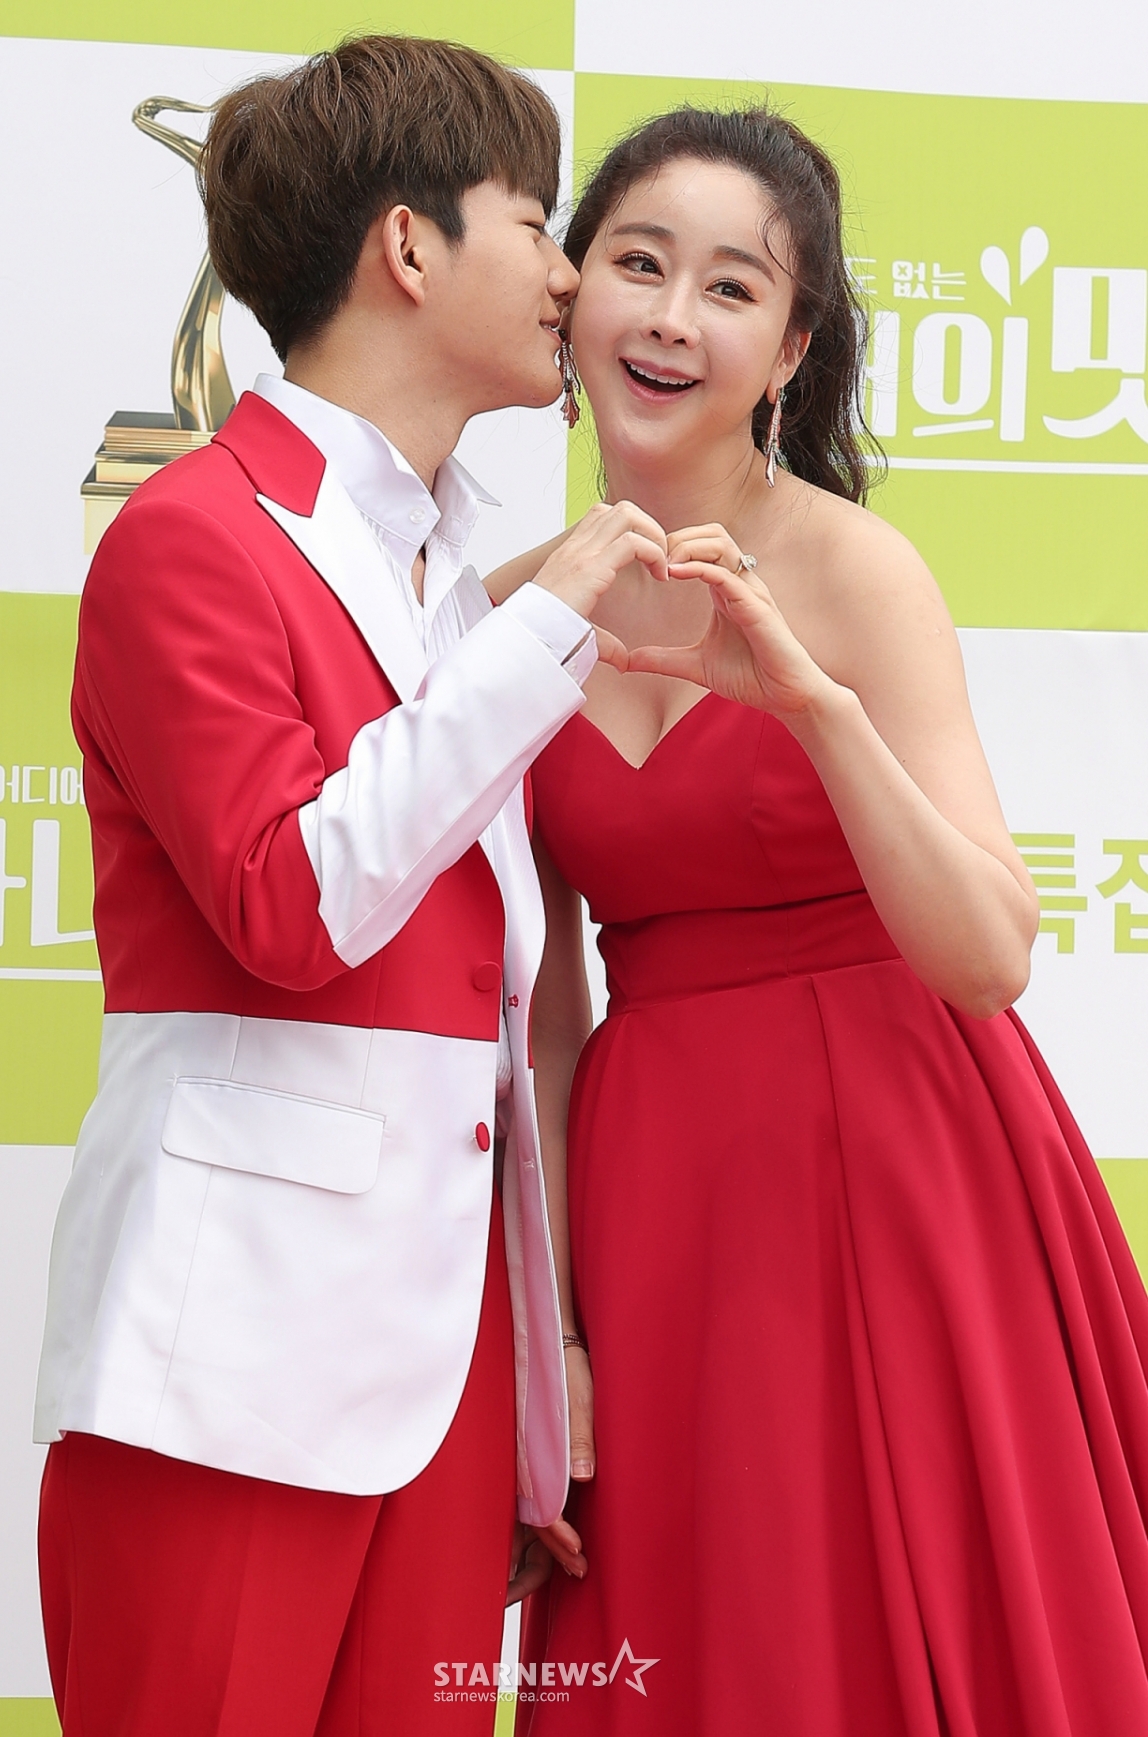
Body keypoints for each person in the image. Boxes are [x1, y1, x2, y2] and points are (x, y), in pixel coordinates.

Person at [32, 36, 669, 1737]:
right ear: (409, 245)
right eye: (533, 219)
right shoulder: (193, 533)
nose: (568, 274)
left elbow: (497, 1034)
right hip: (229, 1372)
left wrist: (537, 1381)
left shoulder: (446, 567)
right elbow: (291, 902)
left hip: (442, 1388)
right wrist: (542, 628)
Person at [492, 107, 1148, 1734]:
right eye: (638, 264)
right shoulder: (507, 611)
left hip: (906, 1163)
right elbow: (545, 1014)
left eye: (731, 288)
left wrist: (811, 704)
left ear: (790, 350)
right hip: (658, 1188)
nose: (671, 318)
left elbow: (990, 952)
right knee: (709, 1625)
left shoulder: (859, 571)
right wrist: (552, 1331)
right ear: (571, 294)